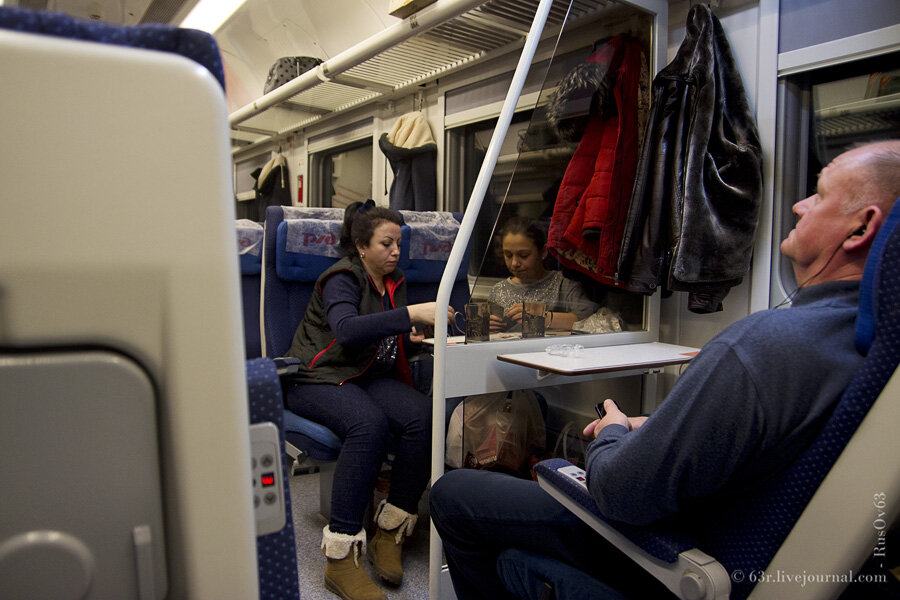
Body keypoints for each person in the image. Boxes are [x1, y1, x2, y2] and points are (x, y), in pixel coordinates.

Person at [430, 140, 900, 599]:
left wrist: (611, 429)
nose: (798, 206)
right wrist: (651, 426)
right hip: (724, 524)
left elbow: (620, 483)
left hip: (676, 545)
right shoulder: (870, 346)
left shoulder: (760, 346)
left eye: (817, 195)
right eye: (507, 256)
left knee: (455, 494)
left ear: (860, 230)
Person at [284, 200, 453, 600]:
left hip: (363, 374)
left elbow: (380, 338)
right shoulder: (342, 277)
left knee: (424, 417)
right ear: (361, 246)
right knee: (369, 425)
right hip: (317, 377)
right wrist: (411, 314)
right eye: (386, 244)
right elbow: (345, 330)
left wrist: (406, 340)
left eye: (399, 244)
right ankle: (340, 558)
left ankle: (389, 532)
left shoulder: (395, 282)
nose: (396, 252)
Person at [488, 217, 599, 334]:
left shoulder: (564, 283)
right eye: (508, 255)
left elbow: (589, 318)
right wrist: (488, 327)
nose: (515, 263)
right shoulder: (498, 291)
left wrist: (542, 317)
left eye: (524, 255)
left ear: (543, 252)